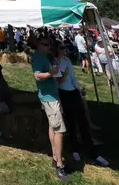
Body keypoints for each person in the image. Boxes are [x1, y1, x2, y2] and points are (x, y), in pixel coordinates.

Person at [56, 43, 108, 166]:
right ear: (56, 49)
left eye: (64, 48)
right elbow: (58, 81)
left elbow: (73, 78)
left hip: (73, 92)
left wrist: (79, 89)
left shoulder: (67, 60)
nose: (64, 50)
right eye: (61, 48)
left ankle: (93, 153)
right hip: (63, 94)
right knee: (71, 123)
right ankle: (75, 149)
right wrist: (64, 75)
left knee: (83, 122)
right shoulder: (55, 62)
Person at [32, 35, 69, 183]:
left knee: (53, 127)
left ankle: (55, 156)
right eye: (45, 44)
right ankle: (59, 164)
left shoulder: (45, 56)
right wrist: (51, 73)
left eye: (49, 45)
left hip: (52, 95)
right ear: (38, 44)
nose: (48, 47)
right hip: (49, 98)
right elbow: (37, 76)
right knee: (59, 130)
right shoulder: (37, 57)